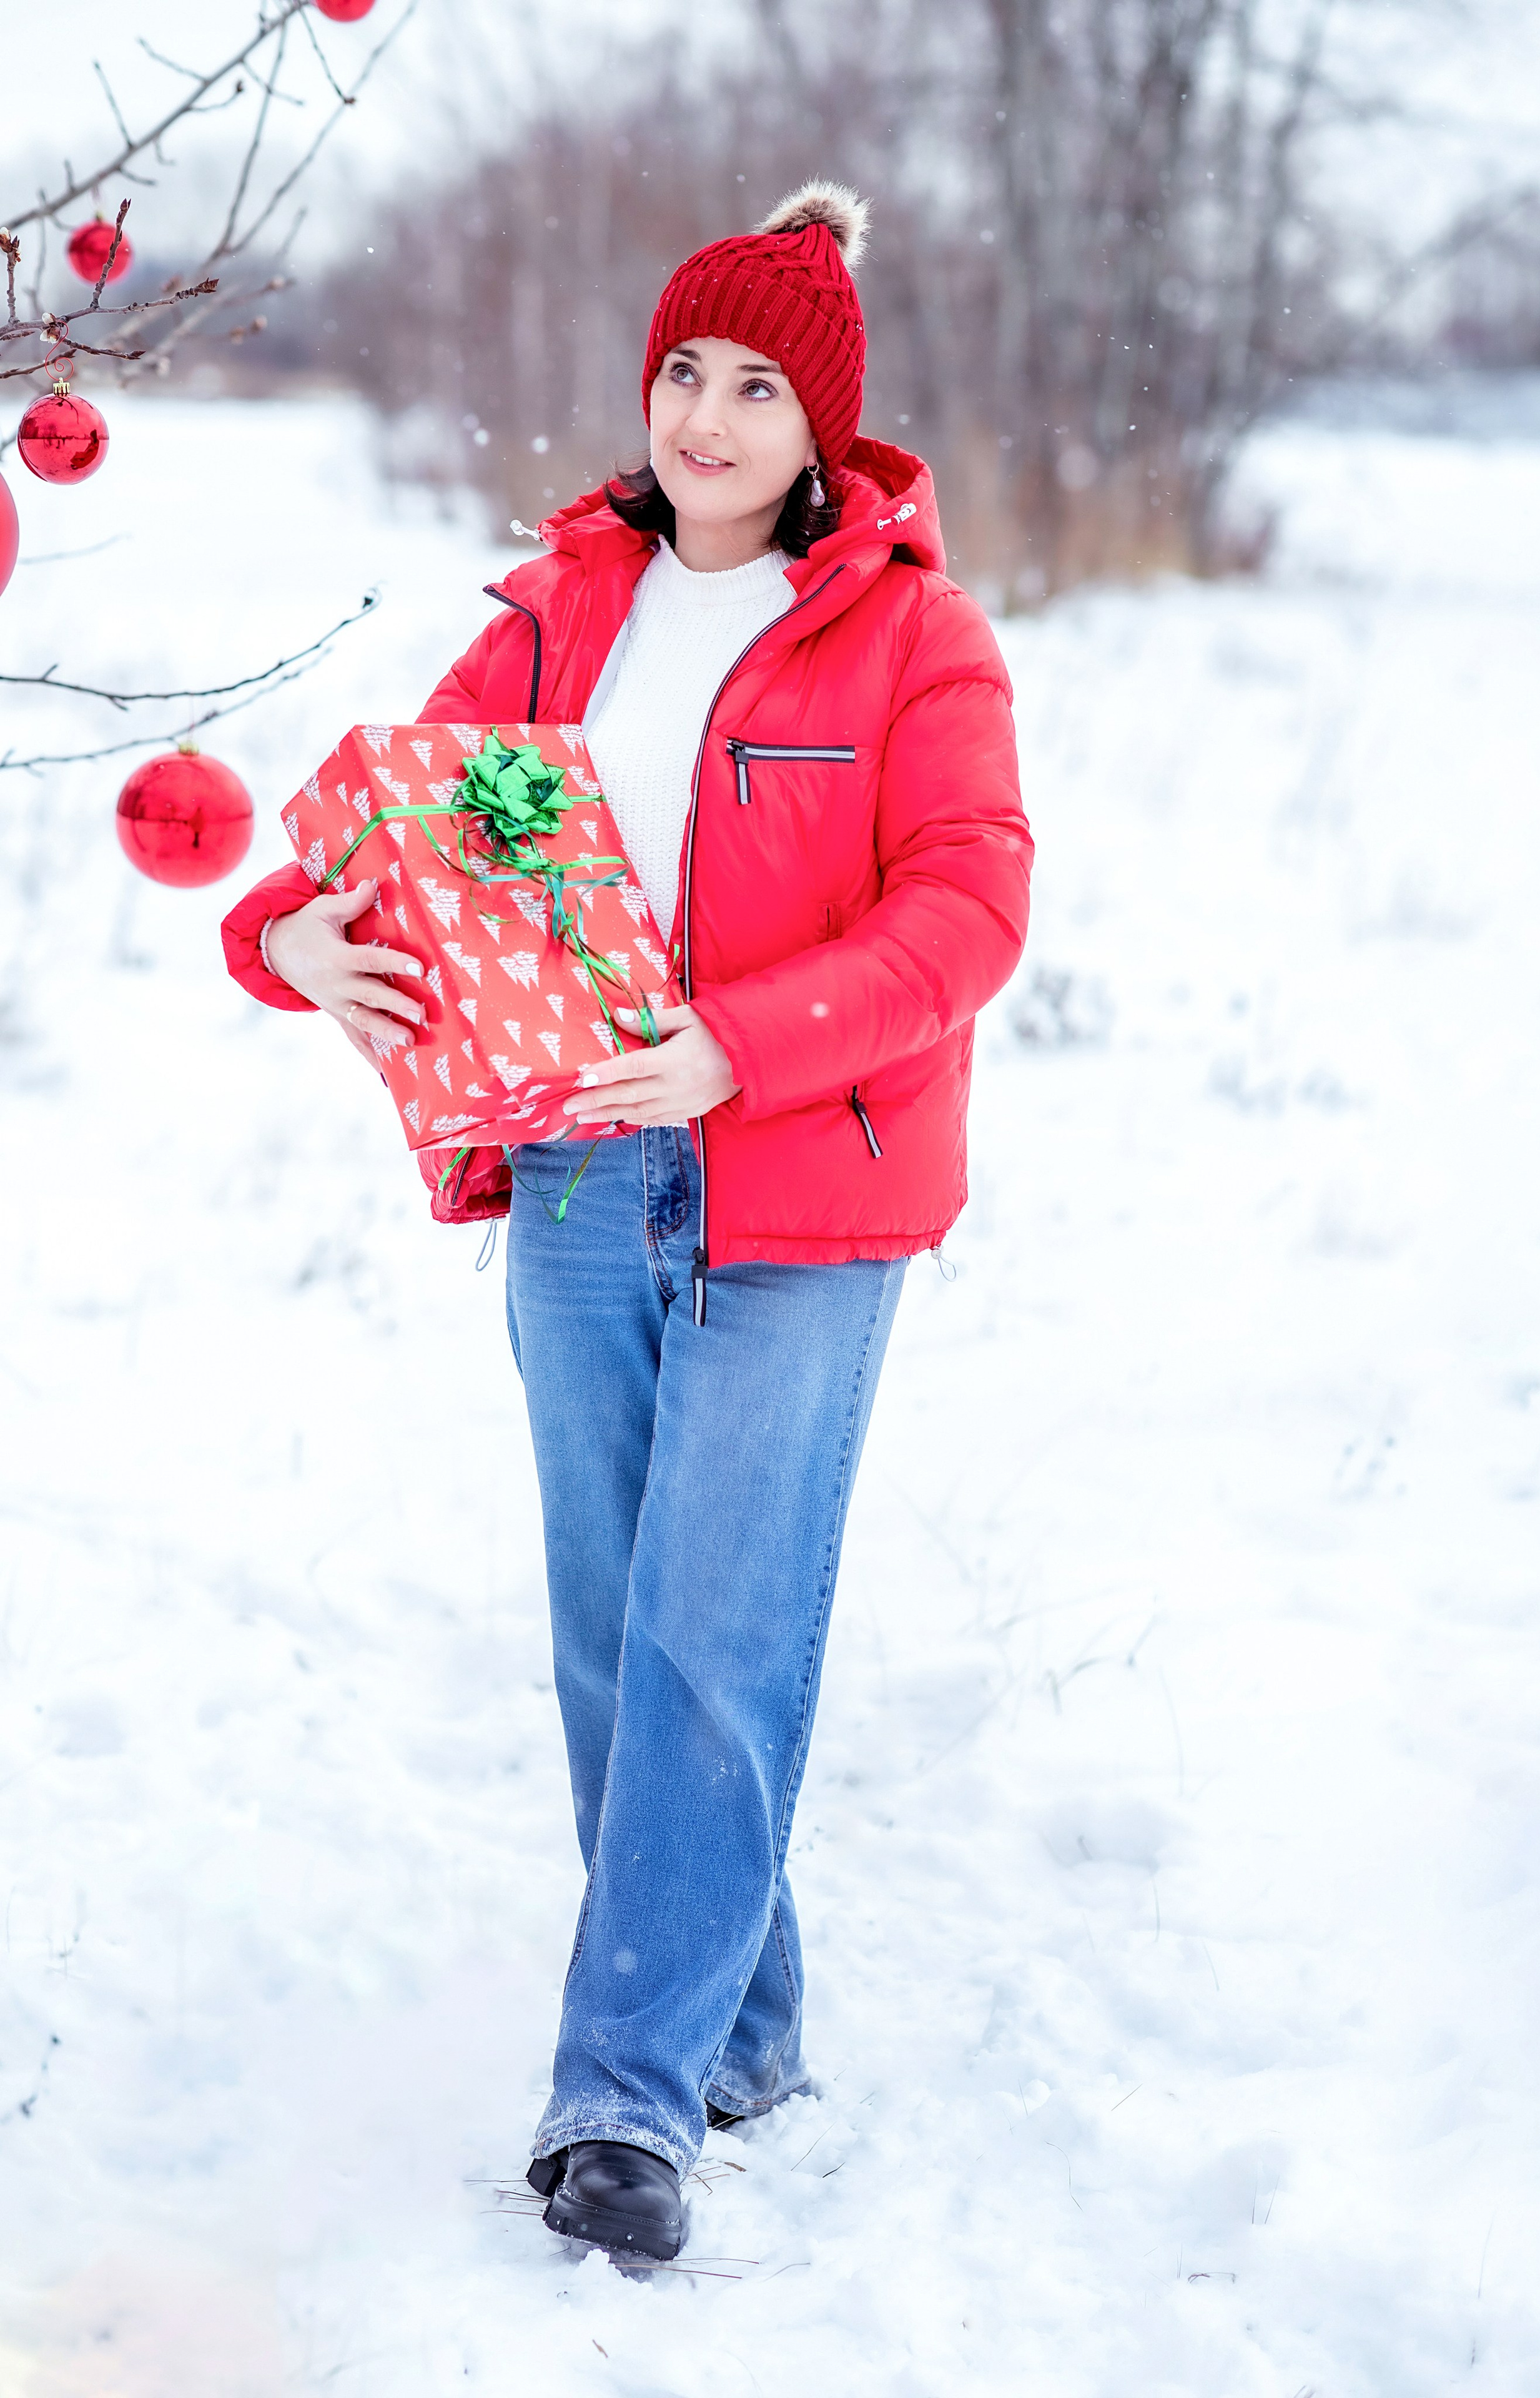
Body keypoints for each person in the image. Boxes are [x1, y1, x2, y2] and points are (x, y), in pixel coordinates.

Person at [222, 182, 1032, 2264]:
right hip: (582, 1171)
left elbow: (968, 915)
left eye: (759, 386)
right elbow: (372, 828)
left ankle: (627, 2104)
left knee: (714, 1630)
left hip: (805, 1185)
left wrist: (735, 1048)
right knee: (620, 1630)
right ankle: (737, 2020)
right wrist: (285, 935)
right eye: (686, 369)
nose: (707, 415)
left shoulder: (915, 637)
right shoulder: (559, 616)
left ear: (824, 427)